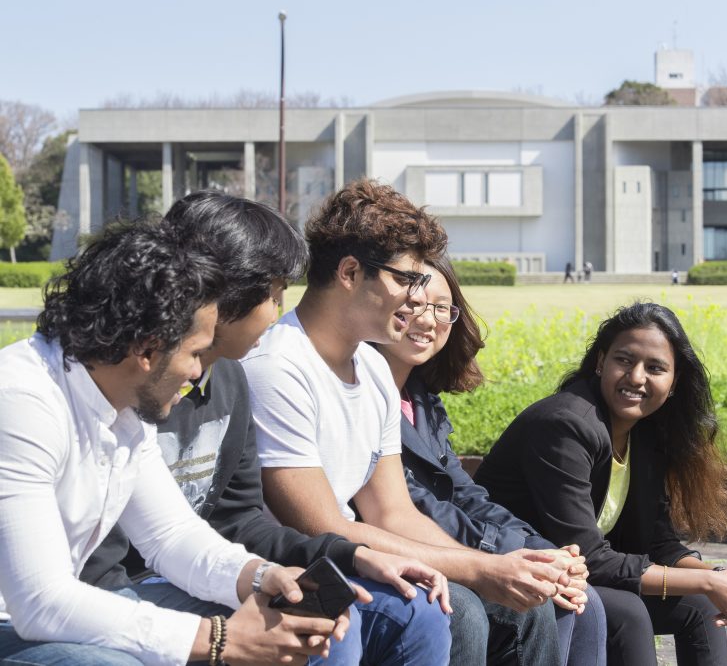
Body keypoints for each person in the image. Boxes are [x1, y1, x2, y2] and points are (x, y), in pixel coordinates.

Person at [80, 192, 452, 666]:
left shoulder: (229, 378)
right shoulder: (106, 390)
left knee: (376, 612)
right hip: (105, 596)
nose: (277, 313)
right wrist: (219, 636)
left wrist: (324, 560)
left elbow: (202, 528)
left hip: (176, 576)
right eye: (273, 295)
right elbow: (58, 590)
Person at [242, 179, 583, 665]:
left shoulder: (374, 368)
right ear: (350, 272)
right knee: (455, 607)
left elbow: (392, 513)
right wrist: (477, 572)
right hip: (294, 566)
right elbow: (322, 526)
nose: (415, 299)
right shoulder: (278, 367)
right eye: (405, 279)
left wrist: (487, 566)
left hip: (348, 554)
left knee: (523, 608)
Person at [0, 221, 353, 666]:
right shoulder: (20, 402)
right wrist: (220, 638)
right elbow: (39, 601)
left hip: (48, 613)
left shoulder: (122, 404)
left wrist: (261, 576)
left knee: (297, 629)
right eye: (195, 353)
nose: (197, 372)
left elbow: (170, 536)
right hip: (15, 621)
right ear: (147, 350)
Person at [474, 302, 727, 666]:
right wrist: (710, 583)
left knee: (699, 605)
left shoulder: (644, 434)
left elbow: (659, 542)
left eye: (655, 368)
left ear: (674, 383)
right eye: (624, 361)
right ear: (601, 362)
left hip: (575, 576)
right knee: (628, 612)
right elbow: (589, 555)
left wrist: (723, 580)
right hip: (513, 572)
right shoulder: (565, 426)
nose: (636, 377)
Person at [372, 254, 606, 666]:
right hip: (390, 550)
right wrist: (516, 557)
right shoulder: (362, 392)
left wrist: (542, 550)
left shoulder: (422, 398)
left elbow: (465, 493)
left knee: (585, 603)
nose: (427, 319)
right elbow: (416, 506)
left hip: (446, 545)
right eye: (416, 303)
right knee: (508, 606)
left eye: (442, 308)